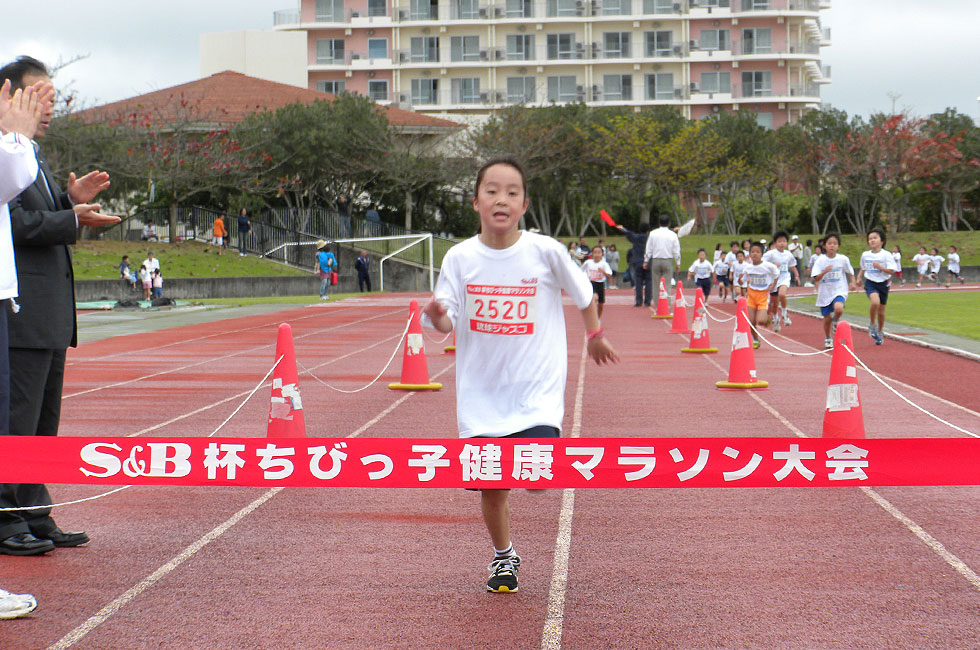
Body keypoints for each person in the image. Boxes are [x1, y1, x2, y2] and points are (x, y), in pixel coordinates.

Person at [421, 157, 618, 594]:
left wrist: (595, 335)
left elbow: (584, 293)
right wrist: (436, 317)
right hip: (480, 397)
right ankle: (504, 556)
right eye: (492, 190)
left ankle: (509, 545)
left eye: (512, 192)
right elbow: (446, 319)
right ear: (476, 202)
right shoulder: (460, 257)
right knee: (493, 488)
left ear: (524, 204)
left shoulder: (543, 251)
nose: (501, 199)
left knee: (538, 478)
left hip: (536, 392)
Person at [1, 55, 120, 555]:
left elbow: (37, 217)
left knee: (43, 422)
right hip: (22, 312)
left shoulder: (33, 155)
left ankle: (34, 510)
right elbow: (20, 226)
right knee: (18, 421)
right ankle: (7, 518)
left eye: (54, 98)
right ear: (10, 95)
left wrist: (70, 201)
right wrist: (72, 220)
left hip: (48, 311)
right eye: (41, 97)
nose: (50, 109)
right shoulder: (8, 154)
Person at [811, 233, 855, 349]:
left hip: (839, 290)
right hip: (825, 293)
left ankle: (836, 320)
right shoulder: (820, 261)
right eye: (829, 243)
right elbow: (816, 278)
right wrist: (825, 271)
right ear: (824, 246)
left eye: (834, 244)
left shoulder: (843, 259)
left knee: (838, 308)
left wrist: (853, 282)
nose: (832, 246)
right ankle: (827, 337)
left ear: (838, 246)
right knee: (826, 319)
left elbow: (850, 271)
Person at [855, 227, 897, 346]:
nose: (872, 240)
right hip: (870, 283)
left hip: (883, 284)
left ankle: (880, 332)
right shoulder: (865, 255)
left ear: (881, 241)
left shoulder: (886, 255)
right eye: (870, 239)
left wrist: (880, 268)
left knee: (882, 311)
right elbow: (863, 267)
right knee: (875, 303)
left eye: (875, 238)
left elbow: (891, 271)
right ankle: (872, 324)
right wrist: (859, 277)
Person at [738, 242, 779, 348]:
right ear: (749, 254)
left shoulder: (768, 266)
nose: (755, 254)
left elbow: (776, 274)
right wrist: (739, 279)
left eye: (757, 252)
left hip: (763, 296)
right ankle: (756, 339)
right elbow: (742, 282)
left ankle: (766, 316)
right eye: (752, 252)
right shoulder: (748, 268)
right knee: (750, 322)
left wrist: (773, 284)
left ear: (762, 254)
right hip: (751, 295)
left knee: (760, 321)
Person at [762, 230, 800, 332]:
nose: (782, 243)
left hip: (784, 278)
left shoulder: (788, 254)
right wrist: (773, 266)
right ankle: (775, 318)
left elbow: (792, 266)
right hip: (773, 280)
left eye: (784, 241)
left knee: (782, 295)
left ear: (787, 243)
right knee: (774, 304)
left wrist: (797, 275)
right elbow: (762, 264)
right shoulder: (770, 254)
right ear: (775, 243)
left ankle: (784, 313)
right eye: (779, 241)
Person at [642, 214, 681, 304]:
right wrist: (678, 263)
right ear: (669, 223)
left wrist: (646, 261)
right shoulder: (673, 235)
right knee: (667, 284)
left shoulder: (653, 233)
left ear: (659, 223)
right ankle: (667, 305)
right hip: (668, 260)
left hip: (656, 260)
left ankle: (657, 306)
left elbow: (649, 249)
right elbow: (676, 250)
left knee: (655, 284)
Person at [616, 222, 651, 306]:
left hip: (638, 261)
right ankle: (647, 301)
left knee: (638, 282)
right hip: (648, 261)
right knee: (648, 281)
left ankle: (638, 301)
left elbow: (630, 234)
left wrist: (623, 229)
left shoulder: (637, 238)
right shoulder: (650, 238)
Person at [581, 245, 613, 319]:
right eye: (595, 252)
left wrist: (603, 271)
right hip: (591, 283)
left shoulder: (604, 264)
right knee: (594, 297)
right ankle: (592, 316)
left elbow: (609, 276)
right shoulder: (588, 263)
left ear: (602, 254)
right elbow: (580, 271)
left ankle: (597, 319)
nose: (597, 255)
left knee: (601, 304)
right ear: (592, 254)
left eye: (599, 253)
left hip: (600, 284)